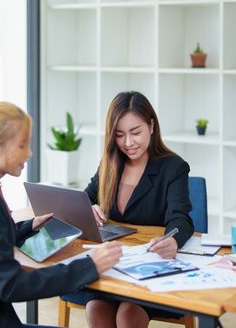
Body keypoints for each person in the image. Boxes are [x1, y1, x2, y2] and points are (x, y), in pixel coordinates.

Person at [0, 102, 123, 328]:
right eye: (22, 145)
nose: (30, 153)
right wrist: (89, 266)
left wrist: (27, 227)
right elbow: (11, 285)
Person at [84, 91, 194, 328]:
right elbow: (84, 197)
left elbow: (180, 219)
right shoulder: (110, 164)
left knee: (128, 315)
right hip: (114, 266)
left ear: (152, 126)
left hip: (150, 267)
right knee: (96, 310)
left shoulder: (173, 168)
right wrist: (88, 207)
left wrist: (172, 241)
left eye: (136, 132)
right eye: (120, 135)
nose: (128, 143)